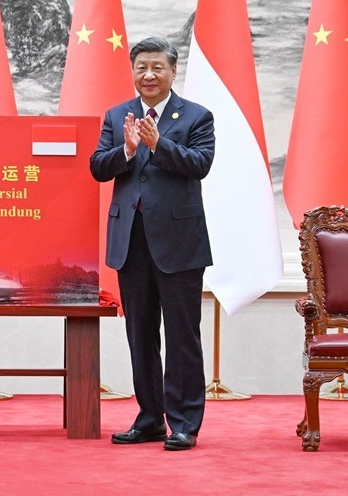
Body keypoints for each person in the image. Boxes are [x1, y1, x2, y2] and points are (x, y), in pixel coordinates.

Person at [89, 36, 214, 451]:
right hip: (131, 242)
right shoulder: (117, 115)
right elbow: (97, 167)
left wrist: (159, 144)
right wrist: (126, 151)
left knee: (182, 337)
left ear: (173, 71)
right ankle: (149, 419)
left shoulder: (197, 116)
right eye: (141, 67)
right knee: (140, 334)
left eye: (157, 67)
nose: (149, 74)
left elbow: (200, 165)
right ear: (133, 71)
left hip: (179, 244)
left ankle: (184, 423)